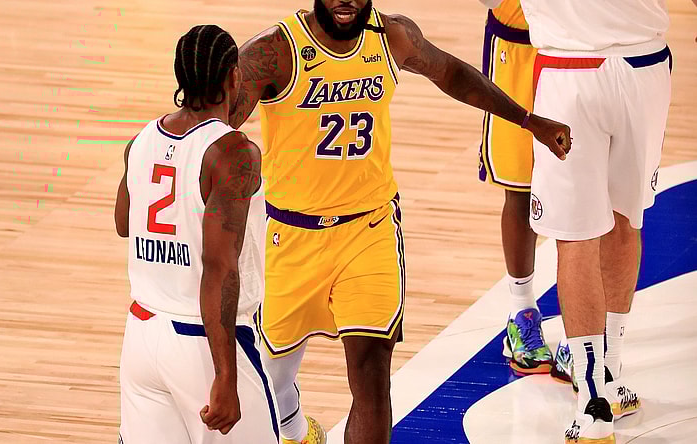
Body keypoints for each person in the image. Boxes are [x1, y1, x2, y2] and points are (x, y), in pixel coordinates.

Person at [229, 1, 571, 442]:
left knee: (373, 373)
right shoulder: (275, 50)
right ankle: (294, 427)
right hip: (290, 235)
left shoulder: (392, 36)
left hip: (367, 231)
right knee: (268, 388)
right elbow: (217, 123)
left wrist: (528, 120)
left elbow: (452, 75)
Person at [114, 25, 279, 444]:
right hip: (201, 342)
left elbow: (123, 224)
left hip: (141, 336)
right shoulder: (233, 151)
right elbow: (219, 268)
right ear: (233, 78)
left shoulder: (141, 140)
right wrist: (225, 375)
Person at [519, 0, 671, 442]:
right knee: (626, 221)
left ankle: (594, 399)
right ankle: (608, 374)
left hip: (571, 65)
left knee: (578, 236)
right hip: (644, 61)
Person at [476, 0, 553, 376]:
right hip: (519, 50)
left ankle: (583, 333)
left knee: (591, 194)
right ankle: (521, 310)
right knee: (520, 189)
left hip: (588, 52)